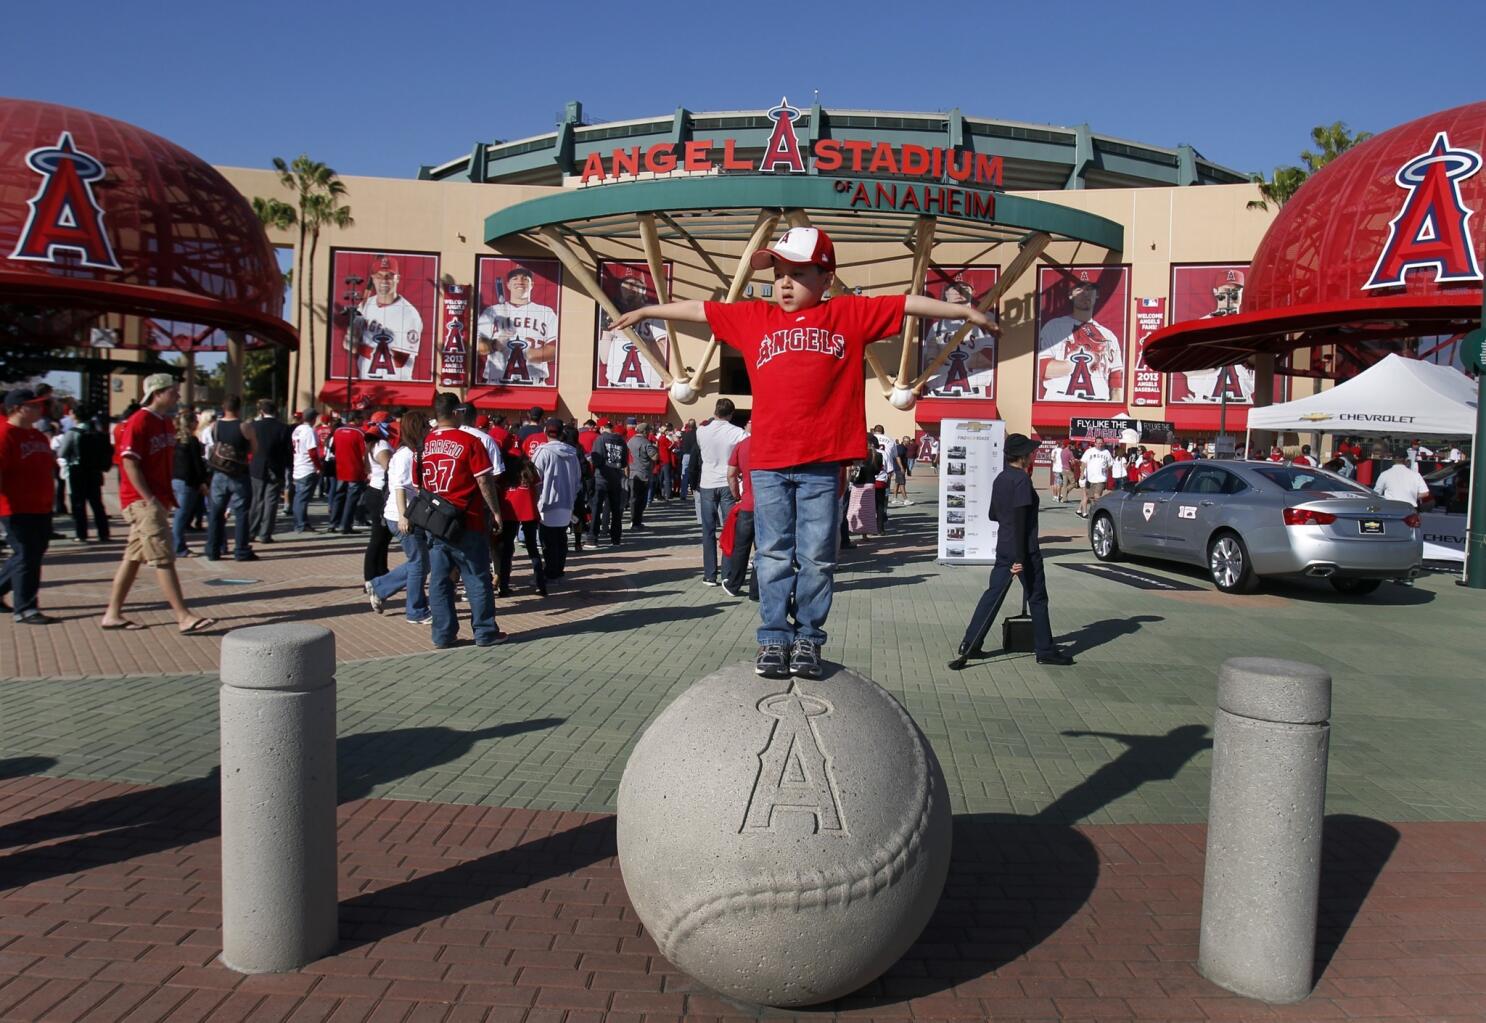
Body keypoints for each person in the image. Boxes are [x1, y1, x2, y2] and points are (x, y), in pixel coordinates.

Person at [610, 224, 998, 679]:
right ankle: (774, 638)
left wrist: (968, 314)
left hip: (821, 462)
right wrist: (646, 312)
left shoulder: (847, 316)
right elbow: (700, 309)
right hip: (770, 463)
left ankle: (808, 639)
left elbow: (906, 303)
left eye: (798, 273)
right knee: (773, 553)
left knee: (818, 556)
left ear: (826, 278)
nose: (785, 283)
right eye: (779, 274)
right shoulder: (755, 318)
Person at [100, 374, 215, 633]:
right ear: (157, 392)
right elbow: (129, 462)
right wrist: (149, 499)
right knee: (163, 556)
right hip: (142, 502)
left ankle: (112, 613)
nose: (177, 395)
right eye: (173, 391)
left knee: (132, 559)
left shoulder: (164, 422)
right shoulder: (140, 421)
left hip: (156, 499)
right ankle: (183, 616)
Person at [948, 433, 1073, 669]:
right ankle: (1045, 650)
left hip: (1004, 545)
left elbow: (993, 514)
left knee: (992, 595)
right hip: (1023, 549)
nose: (1033, 455)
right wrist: (1020, 557)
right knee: (1037, 598)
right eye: (1031, 452)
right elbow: (1020, 519)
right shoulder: (1021, 481)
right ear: (1023, 457)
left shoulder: (1001, 478)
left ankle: (970, 644)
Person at [419, 392, 506, 647]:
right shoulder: (470, 441)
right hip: (467, 519)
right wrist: (496, 510)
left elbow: (418, 483)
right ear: (457, 412)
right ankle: (485, 631)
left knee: (440, 579)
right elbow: (483, 480)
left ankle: (442, 634)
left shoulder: (423, 444)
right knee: (476, 577)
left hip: (435, 521)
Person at [365, 412, 430, 623]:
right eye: (424, 427)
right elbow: (400, 487)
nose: (427, 430)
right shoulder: (405, 455)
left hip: (409, 513)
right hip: (401, 515)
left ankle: (380, 586)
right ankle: (415, 610)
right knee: (419, 563)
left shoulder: (411, 452)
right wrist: (404, 516)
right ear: (416, 430)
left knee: (419, 562)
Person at [0, 388, 58, 623]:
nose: (38, 409)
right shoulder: (5, 434)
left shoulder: (38, 436)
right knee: (26, 554)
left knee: (31, 553)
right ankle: (25, 608)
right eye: (32, 406)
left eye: (39, 405)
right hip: (14, 507)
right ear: (16, 409)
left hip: (40, 506)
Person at [1037, 272, 1123, 401]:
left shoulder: (1108, 335)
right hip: (1060, 401)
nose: (1084, 293)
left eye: (1089, 289)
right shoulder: (1054, 326)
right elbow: (1043, 370)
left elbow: (1116, 384)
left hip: (1099, 406)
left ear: (1097, 294)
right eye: (1079, 289)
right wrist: (1085, 361)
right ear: (1070, 295)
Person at [476, 266, 558, 386]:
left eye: (525, 278)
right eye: (515, 278)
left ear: (532, 284)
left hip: (535, 384)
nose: (520, 281)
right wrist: (497, 343)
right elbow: (479, 347)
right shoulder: (492, 311)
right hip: (496, 384)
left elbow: (555, 350)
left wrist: (524, 353)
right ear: (508, 285)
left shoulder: (546, 312)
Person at [348, 255, 424, 382]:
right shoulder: (365, 305)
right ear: (373, 278)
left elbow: (401, 360)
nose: (384, 280)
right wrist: (351, 338)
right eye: (379, 276)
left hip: (398, 386)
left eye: (389, 276)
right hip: (365, 383)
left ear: (397, 279)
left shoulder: (410, 314)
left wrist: (360, 347)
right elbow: (349, 343)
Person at [695, 399, 745, 586]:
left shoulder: (701, 431)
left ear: (715, 411)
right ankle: (727, 572)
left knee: (707, 530)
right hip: (727, 481)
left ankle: (709, 574)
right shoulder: (737, 433)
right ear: (731, 414)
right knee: (729, 529)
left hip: (707, 482)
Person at [921, 277, 997, 398]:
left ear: (972, 293)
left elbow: (990, 355)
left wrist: (969, 360)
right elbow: (926, 358)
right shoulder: (936, 327)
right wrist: (932, 358)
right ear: (946, 293)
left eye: (965, 289)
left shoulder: (983, 321)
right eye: (954, 288)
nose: (960, 292)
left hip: (975, 388)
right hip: (939, 389)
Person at [205, 395, 255, 562]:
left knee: (216, 513)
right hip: (239, 473)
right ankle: (241, 550)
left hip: (219, 473)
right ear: (239, 408)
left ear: (223, 407)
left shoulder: (215, 426)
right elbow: (255, 449)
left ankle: (213, 550)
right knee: (241, 513)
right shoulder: (244, 426)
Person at [533, 417, 581, 578]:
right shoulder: (572, 453)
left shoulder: (542, 452)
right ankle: (558, 569)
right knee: (561, 538)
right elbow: (577, 478)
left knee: (548, 540)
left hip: (547, 501)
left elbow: (535, 478)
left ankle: (551, 571)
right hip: (566, 500)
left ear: (545, 432)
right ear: (562, 434)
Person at [246, 399, 291, 543]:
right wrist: (289, 466)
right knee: (271, 501)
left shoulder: (254, 426)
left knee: (256, 500)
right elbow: (287, 451)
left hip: (257, 467)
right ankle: (265, 533)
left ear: (262, 411)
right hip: (275, 467)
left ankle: (251, 531)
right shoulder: (283, 428)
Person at [722, 421, 757, 599]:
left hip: (748, 503)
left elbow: (731, 474)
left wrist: (737, 495)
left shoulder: (742, 446)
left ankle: (734, 584)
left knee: (741, 547)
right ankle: (757, 589)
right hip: (769, 505)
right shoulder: (773, 443)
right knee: (765, 550)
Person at [170, 409, 209, 557]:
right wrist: (203, 481)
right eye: (195, 421)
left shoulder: (175, 439)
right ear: (191, 423)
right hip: (188, 481)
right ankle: (178, 547)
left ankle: (177, 544)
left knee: (180, 514)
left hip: (176, 479)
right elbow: (196, 464)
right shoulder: (191, 441)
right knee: (181, 514)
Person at [361, 413, 395, 580]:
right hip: (380, 492)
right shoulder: (381, 444)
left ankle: (381, 570)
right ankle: (370, 576)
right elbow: (389, 468)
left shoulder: (373, 444)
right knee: (378, 537)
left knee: (384, 536)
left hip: (376, 490)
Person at [589, 420, 628, 546]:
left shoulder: (600, 439)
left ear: (601, 428)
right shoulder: (621, 441)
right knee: (615, 509)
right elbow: (624, 462)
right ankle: (616, 538)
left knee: (597, 508)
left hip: (601, 477)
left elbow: (596, 459)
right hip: (616, 477)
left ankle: (592, 538)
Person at [330, 412, 369, 533]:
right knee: (352, 498)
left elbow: (333, 449)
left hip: (341, 468)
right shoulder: (359, 433)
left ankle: (333, 522)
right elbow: (364, 454)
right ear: (356, 419)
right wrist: (367, 470)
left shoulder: (337, 431)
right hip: (355, 470)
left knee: (339, 495)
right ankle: (346, 525)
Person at [289, 409, 321, 533]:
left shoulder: (298, 429)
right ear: (313, 419)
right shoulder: (309, 431)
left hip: (298, 465)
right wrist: (318, 466)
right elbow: (312, 451)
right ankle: (301, 524)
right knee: (302, 498)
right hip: (307, 467)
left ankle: (301, 522)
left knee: (299, 497)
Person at [627, 424, 658, 529]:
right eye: (649, 430)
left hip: (632, 472)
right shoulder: (646, 442)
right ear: (644, 431)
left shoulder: (630, 441)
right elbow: (654, 457)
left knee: (633, 498)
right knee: (641, 500)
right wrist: (655, 448)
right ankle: (637, 521)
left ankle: (633, 520)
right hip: (643, 473)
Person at [1077, 438, 1113, 518]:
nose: (1100, 444)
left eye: (1101, 443)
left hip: (1101, 478)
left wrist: (1107, 468)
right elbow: (1083, 463)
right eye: (1098, 443)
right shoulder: (1089, 451)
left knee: (1097, 495)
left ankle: (1103, 510)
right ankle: (1095, 512)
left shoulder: (1106, 452)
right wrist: (1082, 474)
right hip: (1090, 479)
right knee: (1091, 498)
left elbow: (1111, 464)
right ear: (1095, 443)